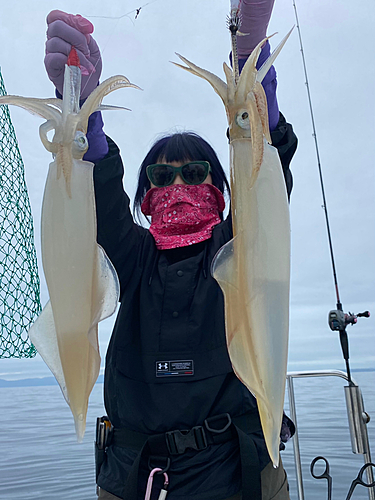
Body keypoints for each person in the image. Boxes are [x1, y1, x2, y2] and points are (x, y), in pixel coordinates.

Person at [44, 2, 297, 499]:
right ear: (145, 197)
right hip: (134, 478)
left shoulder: (239, 249)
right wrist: (81, 106)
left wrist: (251, 55)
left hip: (238, 474)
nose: (178, 184)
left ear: (222, 191)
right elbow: (99, 205)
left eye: (196, 172)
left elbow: (264, 174)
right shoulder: (133, 257)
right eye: (162, 176)